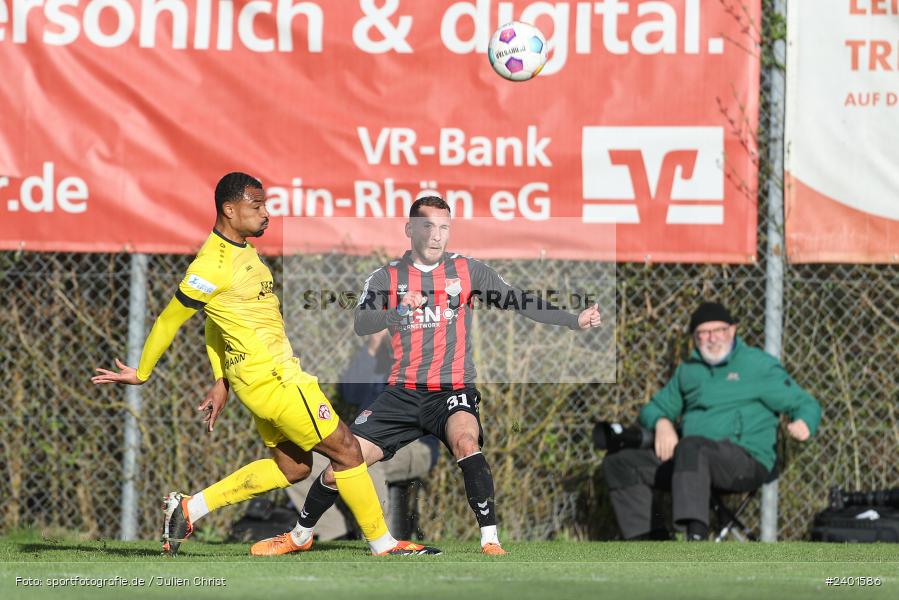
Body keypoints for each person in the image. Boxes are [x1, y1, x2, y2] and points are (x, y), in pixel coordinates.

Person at [91, 172, 439, 556]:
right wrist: (142, 372)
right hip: (277, 381)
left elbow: (215, 322)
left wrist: (220, 379)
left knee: (294, 469)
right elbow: (169, 319)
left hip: (257, 382)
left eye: (266, 205)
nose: (266, 213)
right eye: (256, 206)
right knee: (348, 451)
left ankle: (190, 508)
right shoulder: (211, 264)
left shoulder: (243, 251)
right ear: (229, 209)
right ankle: (383, 544)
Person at [250, 192, 603, 556]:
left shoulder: (469, 270)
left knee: (467, 441)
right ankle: (300, 535)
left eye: (444, 227)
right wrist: (397, 312)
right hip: (402, 393)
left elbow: (519, 300)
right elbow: (361, 323)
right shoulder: (386, 276)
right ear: (410, 229)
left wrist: (572, 320)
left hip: (451, 390)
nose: (437, 235)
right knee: (343, 461)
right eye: (428, 226)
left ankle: (490, 541)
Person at [602, 301, 822, 541]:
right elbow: (653, 408)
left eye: (719, 330)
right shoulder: (689, 370)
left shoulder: (757, 366)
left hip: (745, 461)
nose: (712, 338)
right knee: (620, 462)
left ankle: (696, 538)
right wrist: (662, 423)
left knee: (692, 446)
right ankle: (649, 546)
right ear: (695, 337)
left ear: (732, 330)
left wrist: (804, 423)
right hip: (690, 461)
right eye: (704, 332)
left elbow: (805, 403)